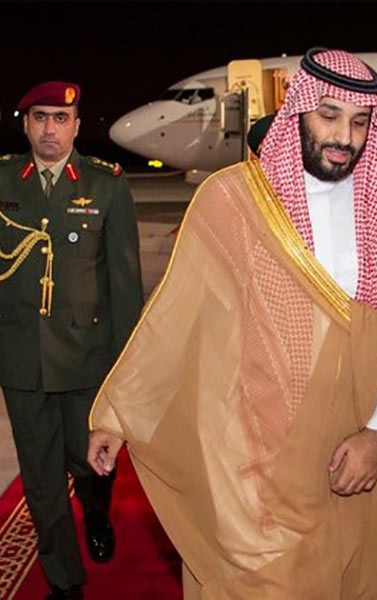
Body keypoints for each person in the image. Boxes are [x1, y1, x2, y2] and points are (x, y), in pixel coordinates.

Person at [86, 48, 377, 599]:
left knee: (363, 581)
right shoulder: (233, 200)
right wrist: (119, 416)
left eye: (358, 122)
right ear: (297, 111)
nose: (343, 138)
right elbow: (178, 317)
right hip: (259, 455)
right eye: (328, 115)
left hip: (364, 450)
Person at [0, 81, 143, 599]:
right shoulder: (3, 180)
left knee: (92, 466)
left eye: (60, 119)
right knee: (39, 478)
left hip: (88, 358)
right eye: (39, 117)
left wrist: (125, 366)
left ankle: (97, 513)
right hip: (20, 360)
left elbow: (125, 284)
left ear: (77, 126)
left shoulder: (107, 185)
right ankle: (65, 580)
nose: (49, 129)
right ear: (26, 123)